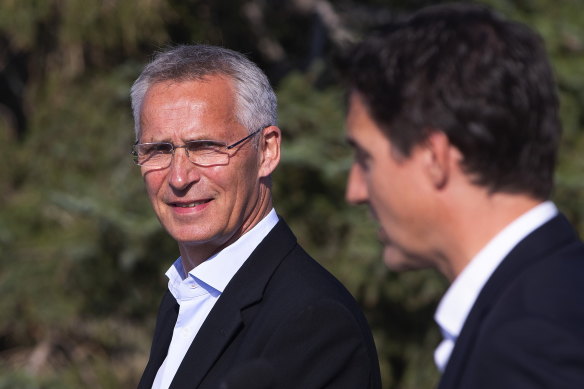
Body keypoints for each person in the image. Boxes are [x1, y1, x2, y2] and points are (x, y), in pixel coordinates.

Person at [341, 3, 584, 388]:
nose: (354, 191)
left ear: (434, 158)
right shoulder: (549, 299)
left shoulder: (530, 343)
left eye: (366, 159)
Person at [130, 44, 381, 389]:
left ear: (266, 151)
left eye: (205, 147)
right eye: (158, 150)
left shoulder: (313, 321)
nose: (179, 177)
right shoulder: (184, 295)